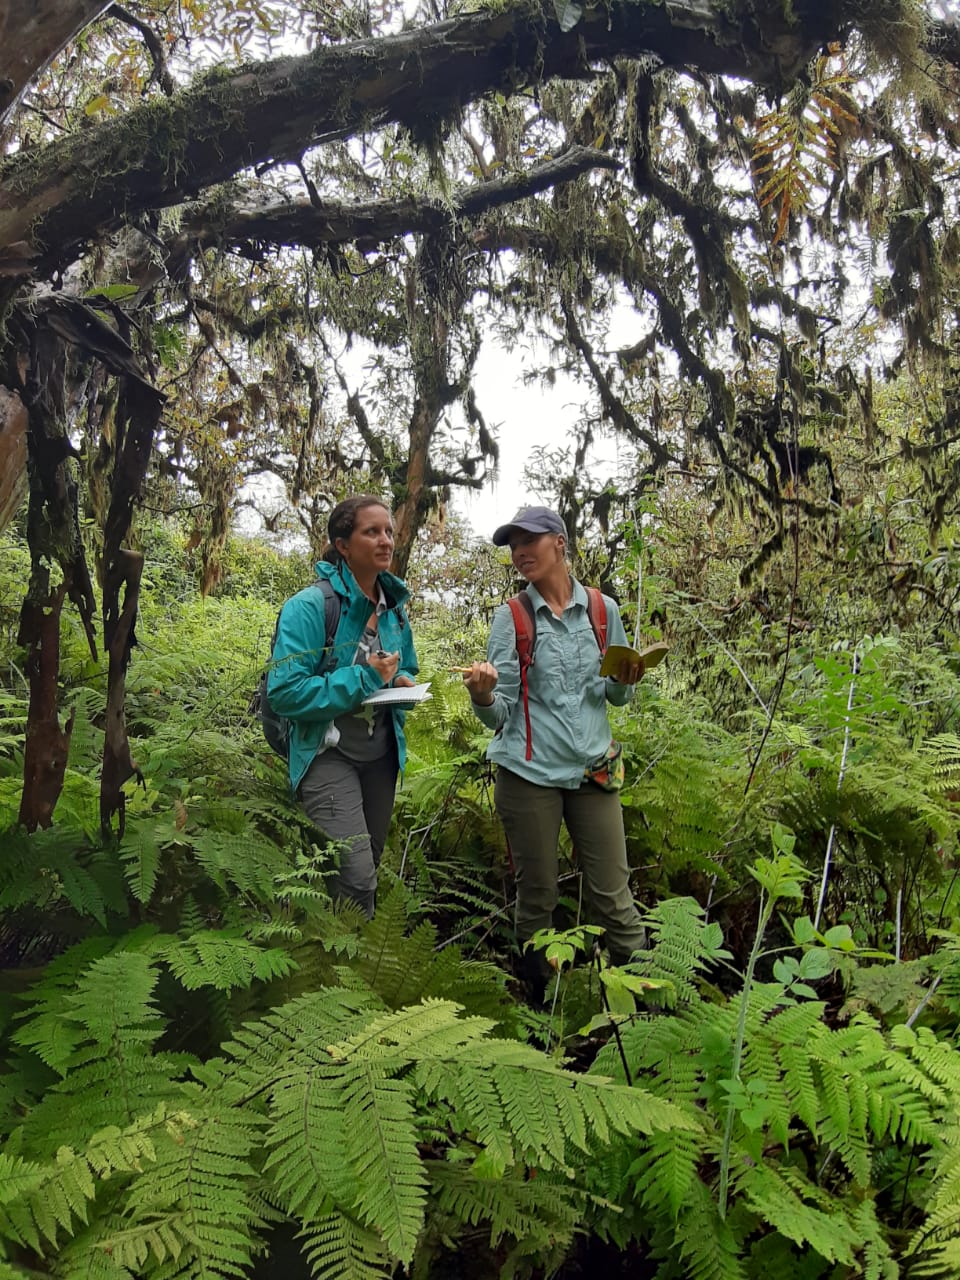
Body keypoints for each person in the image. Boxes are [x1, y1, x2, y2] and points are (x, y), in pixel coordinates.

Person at [461, 505, 647, 997]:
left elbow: (615, 696)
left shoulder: (604, 611)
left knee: (614, 898)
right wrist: (481, 694)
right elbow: (500, 713)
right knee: (538, 896)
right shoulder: (513, 617)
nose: (520, 552)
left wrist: (628, 680)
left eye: (530, 541)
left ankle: (650, 1006)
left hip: (594, 771)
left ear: (560, 543)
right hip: (529, 776)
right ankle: (538, 1005)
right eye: (513, 545)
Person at [267, 495, 418, 918]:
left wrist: (402, 681)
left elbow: (404, 664)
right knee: (356, 875)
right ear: (343, 544)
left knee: (363, 862)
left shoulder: (395, 610)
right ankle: (342, 968)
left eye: (388, 531)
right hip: (328, 755)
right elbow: (284, 691)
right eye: (372, 532)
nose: (385, 540)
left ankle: (329, 948)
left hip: (381, 758)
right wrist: (366, 677)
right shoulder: (311, 607)